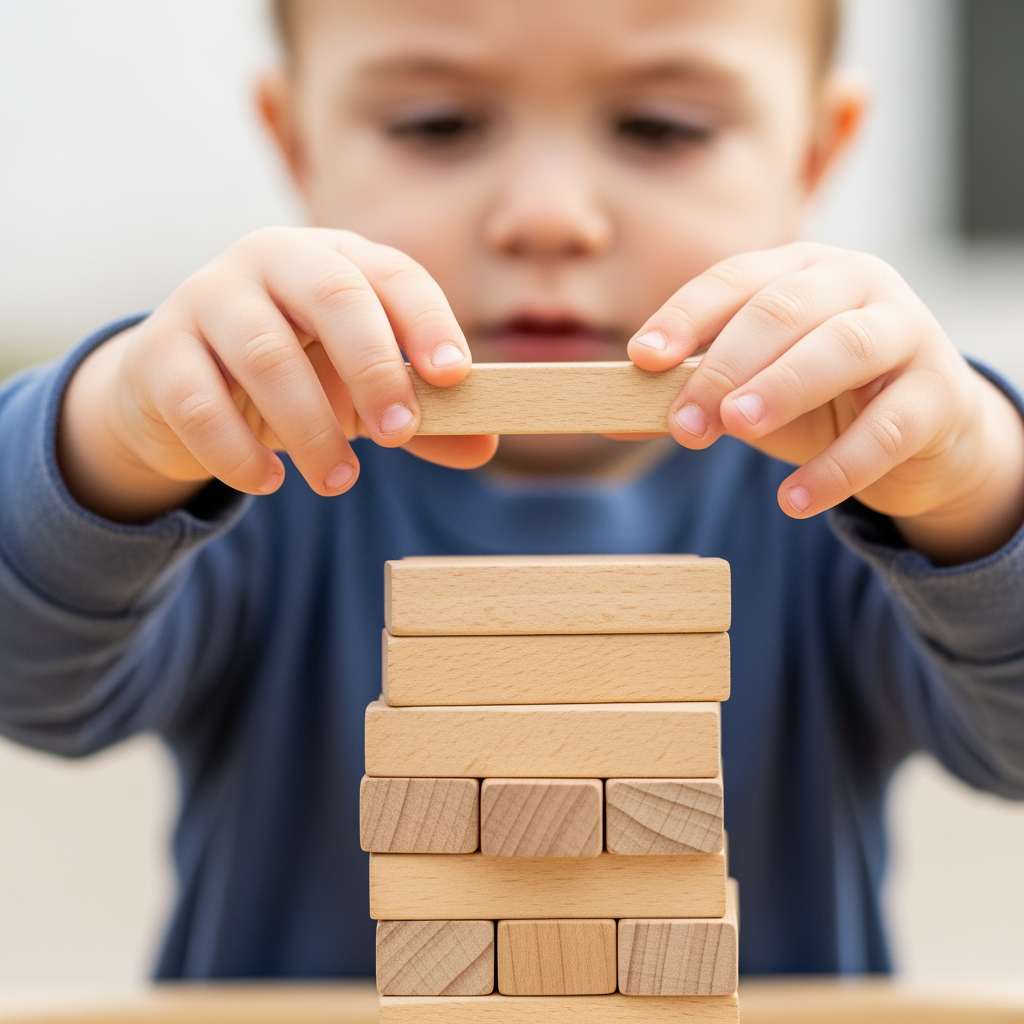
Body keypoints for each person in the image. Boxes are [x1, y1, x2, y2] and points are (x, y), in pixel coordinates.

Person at [2, 0, 1023, 981]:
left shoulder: (846, 497)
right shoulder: (250, 477)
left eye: (660, 127)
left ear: (813, 156)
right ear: (299, 146)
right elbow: (32, 683)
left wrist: (976, 487)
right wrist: (114, 438)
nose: (547, 218)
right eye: (436, 124)